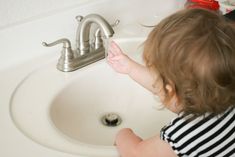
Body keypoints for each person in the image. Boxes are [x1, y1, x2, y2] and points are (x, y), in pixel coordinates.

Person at [107, 8, 235, 157]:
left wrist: (123, 135)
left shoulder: (184, 136)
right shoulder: (225, 100)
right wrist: (130, 68)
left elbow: (135, 153)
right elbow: (177, 98)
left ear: (172, 92)